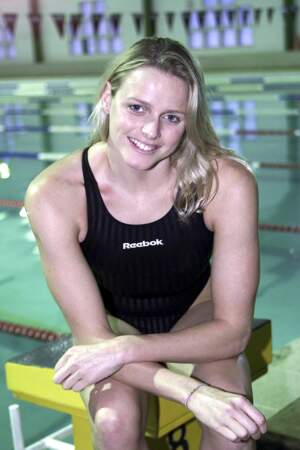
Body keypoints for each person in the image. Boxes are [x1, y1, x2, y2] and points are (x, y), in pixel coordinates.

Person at [25, 37, 267, 450]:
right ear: (108, 97)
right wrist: (190, 392)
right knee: (114, 421)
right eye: (137, 108)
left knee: (234, 423)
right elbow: (94, 339)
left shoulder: (225, 182)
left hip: (196, 314)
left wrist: (130, 350)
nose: (151, 131)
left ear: (189, 120)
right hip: (111, 324)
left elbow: (232, 331)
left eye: (172, 117)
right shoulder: (54, 195)